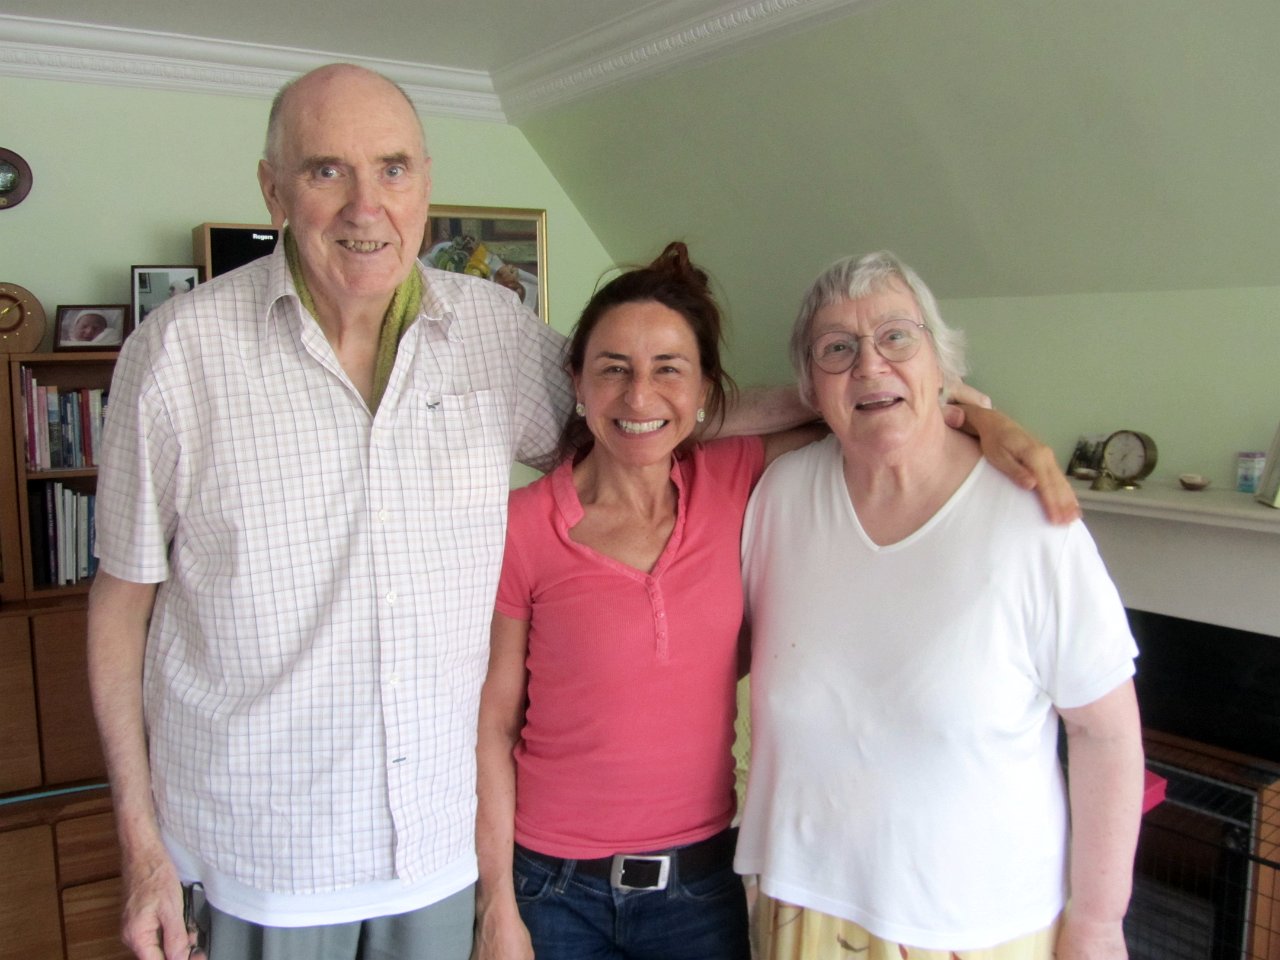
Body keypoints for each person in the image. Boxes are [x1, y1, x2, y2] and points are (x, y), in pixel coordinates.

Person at [86, 63, 827, 960]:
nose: (368, 206)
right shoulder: (176, 355)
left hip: (435, 859)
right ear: (272, 188)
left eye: (392, 168)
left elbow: (641, 409)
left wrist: (888, 404)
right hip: (257, 854)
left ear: (426, 184)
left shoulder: (489, 330)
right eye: (327, 171)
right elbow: (121, 606)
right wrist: (141, 849)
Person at [473, 244, 1081, 960]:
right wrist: (497, 906)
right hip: (552, 889)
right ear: (577, 381)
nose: (639, 399)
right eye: (613, 370)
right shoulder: (523, 524)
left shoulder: (735, 480)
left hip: (698, 887)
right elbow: (493, 724)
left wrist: (983, 419)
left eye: (669, 369)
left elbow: (859, 412)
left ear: (706, 390)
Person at [735, 251, 1145, 960]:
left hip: (980, 929)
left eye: (898, 336)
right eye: (838, 349)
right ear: (809, 387)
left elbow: (1105, 734)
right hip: (803, 908)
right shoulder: (779, 497)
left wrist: (1099, 922)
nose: (870, 366)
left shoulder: (1032, 517)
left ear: (941, 362)